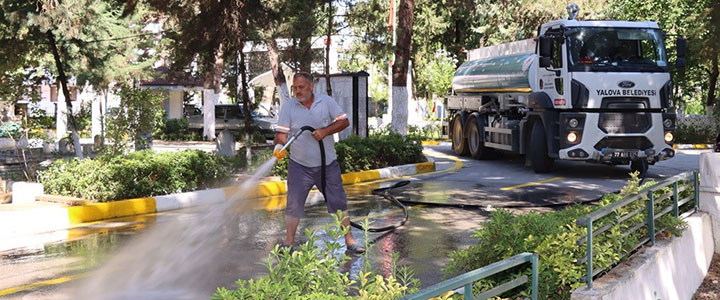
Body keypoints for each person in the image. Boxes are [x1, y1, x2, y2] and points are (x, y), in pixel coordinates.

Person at [272, 72, 365, 254]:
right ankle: (288, 242)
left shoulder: (326, 102)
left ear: (311, 86)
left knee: (338, 201)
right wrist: (278, 145)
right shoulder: (289, 107)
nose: (298, 91)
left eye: (301, 87)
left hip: (327, 165)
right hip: (299, 166)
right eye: (295, 88)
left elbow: (344, 121)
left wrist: (325, 131)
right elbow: (281, 133)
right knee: (294, 204)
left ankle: (350, 240)